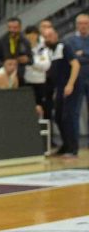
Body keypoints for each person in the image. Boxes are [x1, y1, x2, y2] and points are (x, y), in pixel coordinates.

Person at [47, 24, 80, 158]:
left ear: (56, 35)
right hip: (60, 88)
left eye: (50, 36)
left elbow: (76, 65)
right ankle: (66, 145)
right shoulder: (51, 51)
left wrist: (70, 84)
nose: (48, 38)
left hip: (69, 87)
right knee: (58, 117)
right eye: (46, 37)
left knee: (68, 117)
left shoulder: (64, 46)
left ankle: (73, 148)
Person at [61, 12, 89, 158]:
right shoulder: (69, 39)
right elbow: (72, 58)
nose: (83, 26)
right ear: (76, 25)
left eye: (86, 23)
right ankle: (74, 146)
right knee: (74, 113)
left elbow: (79, 57)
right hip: (76, 79)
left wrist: (82, 53)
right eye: (80, 23)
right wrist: (82, 56)